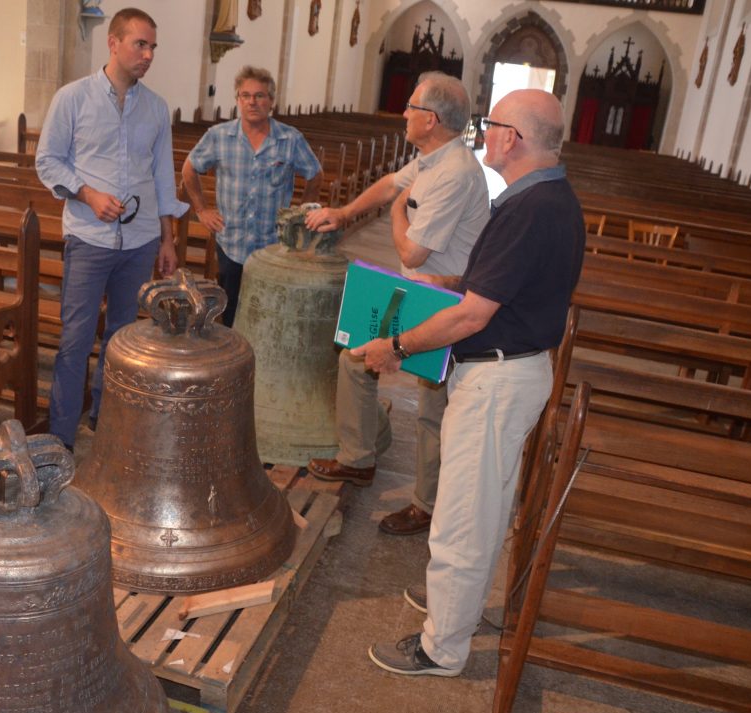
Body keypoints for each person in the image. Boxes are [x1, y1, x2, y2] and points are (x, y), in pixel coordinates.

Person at [358, 89, 584, 677]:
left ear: (512, 137)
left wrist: (396, 347)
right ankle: (460, 608)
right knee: (484, 508)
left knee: (462, 516)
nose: (484, 133)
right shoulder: (548, 197)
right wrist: (446, 283)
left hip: (498, 380)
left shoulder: (530, 207)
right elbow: (499, 284)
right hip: (512, 371)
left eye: (491, 124)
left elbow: (472, 317)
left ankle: (442, 647)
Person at [303, 72, 489, 537]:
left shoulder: (455, 173)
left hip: (444, 300)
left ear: (431, 119)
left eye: (411, 107)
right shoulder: (431, 159)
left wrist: (396, 216)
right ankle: (358, 458)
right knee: (354, 359)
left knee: (432, 407)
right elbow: (390, 183)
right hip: (417, 291)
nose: (403, 113)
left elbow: (412, 251)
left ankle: (426, 505)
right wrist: (344, 213)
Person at [35, 7, 188, 451]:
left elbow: (162, 177)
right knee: (76, 339)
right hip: (89, 237)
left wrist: (167, 240)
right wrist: (88, 194)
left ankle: (107, 423)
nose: (148, 55)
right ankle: (60, 438)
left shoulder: (156, 108)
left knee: (122, 339)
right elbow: (47, 161)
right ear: (113, 43)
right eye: (140, 44)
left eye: (153, 47)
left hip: (139, 241)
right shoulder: (72, 98)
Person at [182, 65, 322, 326]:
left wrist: (301, 215)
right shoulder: (219, 136)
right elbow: (189, 169)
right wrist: (201, 209)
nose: (252, 102)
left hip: (273, 245)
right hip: (232, 242)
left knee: (268, 314)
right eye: (245, 95)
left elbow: (315, 174)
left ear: (271, 101)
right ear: (237, 99)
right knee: (230, 313)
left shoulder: (290, 139)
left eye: (259, 95)